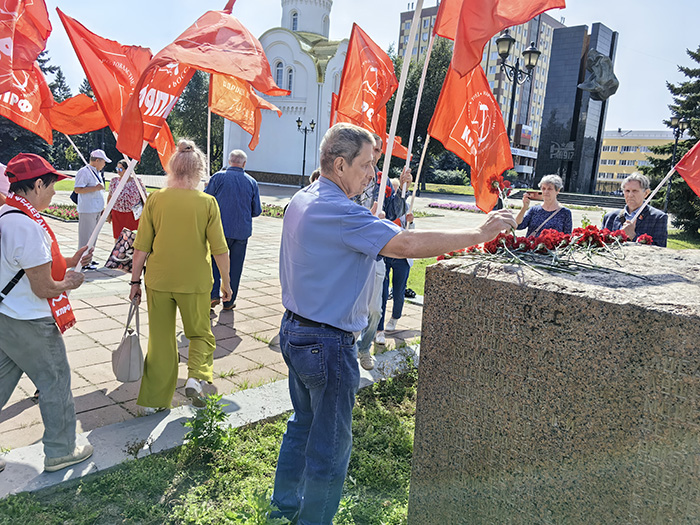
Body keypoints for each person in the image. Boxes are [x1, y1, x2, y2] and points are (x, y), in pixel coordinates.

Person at [271, 123, 516, 524]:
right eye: (367, 165)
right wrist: (478, 232)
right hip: (326, 343)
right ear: (339, 164)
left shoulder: (305, 197)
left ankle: (284, 507)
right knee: (329, 447)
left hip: (296, 330)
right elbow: (406, 244)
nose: (372, 174)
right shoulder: (339, 211)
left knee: (303, 425)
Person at [0, 153, 94, 473]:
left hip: (5, 317)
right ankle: (60, 450)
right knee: (55, 380)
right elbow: (44, 287)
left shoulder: (6, 215)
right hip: (30, 320)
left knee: (0, 384)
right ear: (37, 184)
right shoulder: (27, 227)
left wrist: (71, 258)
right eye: (52, 185)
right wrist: (70, 281)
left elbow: (28, 265)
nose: (55, 192)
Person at [129, 140, 232, 411]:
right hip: (195, 280)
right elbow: (220, 249)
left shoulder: (155, 199)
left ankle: (153, 401)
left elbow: (141, 247)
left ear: (172, 169)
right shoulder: (207, 203)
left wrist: (134, 281)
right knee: (200, 334)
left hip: (159, 280)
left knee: (160, 341)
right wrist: (226, 283)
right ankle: (196, 378)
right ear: (199, 172)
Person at [353, 133, 412, 367]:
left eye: (378, 151)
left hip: (375, 253)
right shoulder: (351, 173)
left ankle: (364, 348)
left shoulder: (383, 180)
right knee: (348, 307)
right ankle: (345, 350)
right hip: (350, 252)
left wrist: (401, 190)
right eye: (372, 149)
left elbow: (395, 212)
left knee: (375, 311)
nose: (375, 154)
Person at [204, 149, 261, 311]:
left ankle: (213, 295)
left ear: (229, 162)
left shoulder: (218, 177)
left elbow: (207, 201)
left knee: (215, 262)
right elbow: (256, 210)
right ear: (244, 164)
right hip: (241, 231)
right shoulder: (251, 182)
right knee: (235, 267)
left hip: (218, 230)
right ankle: (229, 300)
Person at [602, 172, 668, 247]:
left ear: (646, 193)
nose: (630, 195)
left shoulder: (658, 218)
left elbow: (660, 249)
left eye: (635, 191)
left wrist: (633, 236)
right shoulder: (610, 217)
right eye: (627, 191)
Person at [377, 210, 414, 339]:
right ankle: (379, 329)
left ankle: (395, 317)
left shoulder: (406, 207)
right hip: (384, 254)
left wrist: (411, 221)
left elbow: (411, 232)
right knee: (382, 292)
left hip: (402, 257)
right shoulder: (383, 204)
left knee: (398, 291)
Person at [74, 149, 110, 270]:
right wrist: (94, 188)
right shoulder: (84, 172)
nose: (104, 164)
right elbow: (77, 189)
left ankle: (89, 258)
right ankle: (83, 261)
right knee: (86, 237)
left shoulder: (97, 172)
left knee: (93, 236)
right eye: (103, 162)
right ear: (97, 160)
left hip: (96, 208)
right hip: (87, 209)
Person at [106, 159, 147, 239]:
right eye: (117, 168)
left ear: (128, 170)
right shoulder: (114, 181)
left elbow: (144, 197)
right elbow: (110, 197)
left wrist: (145, 213)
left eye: (120, 169)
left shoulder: (136, 181)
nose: (118, 171)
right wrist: (108, 213)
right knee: (118, 238)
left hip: (133, 215)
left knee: (133, 238)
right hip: (118, 214)